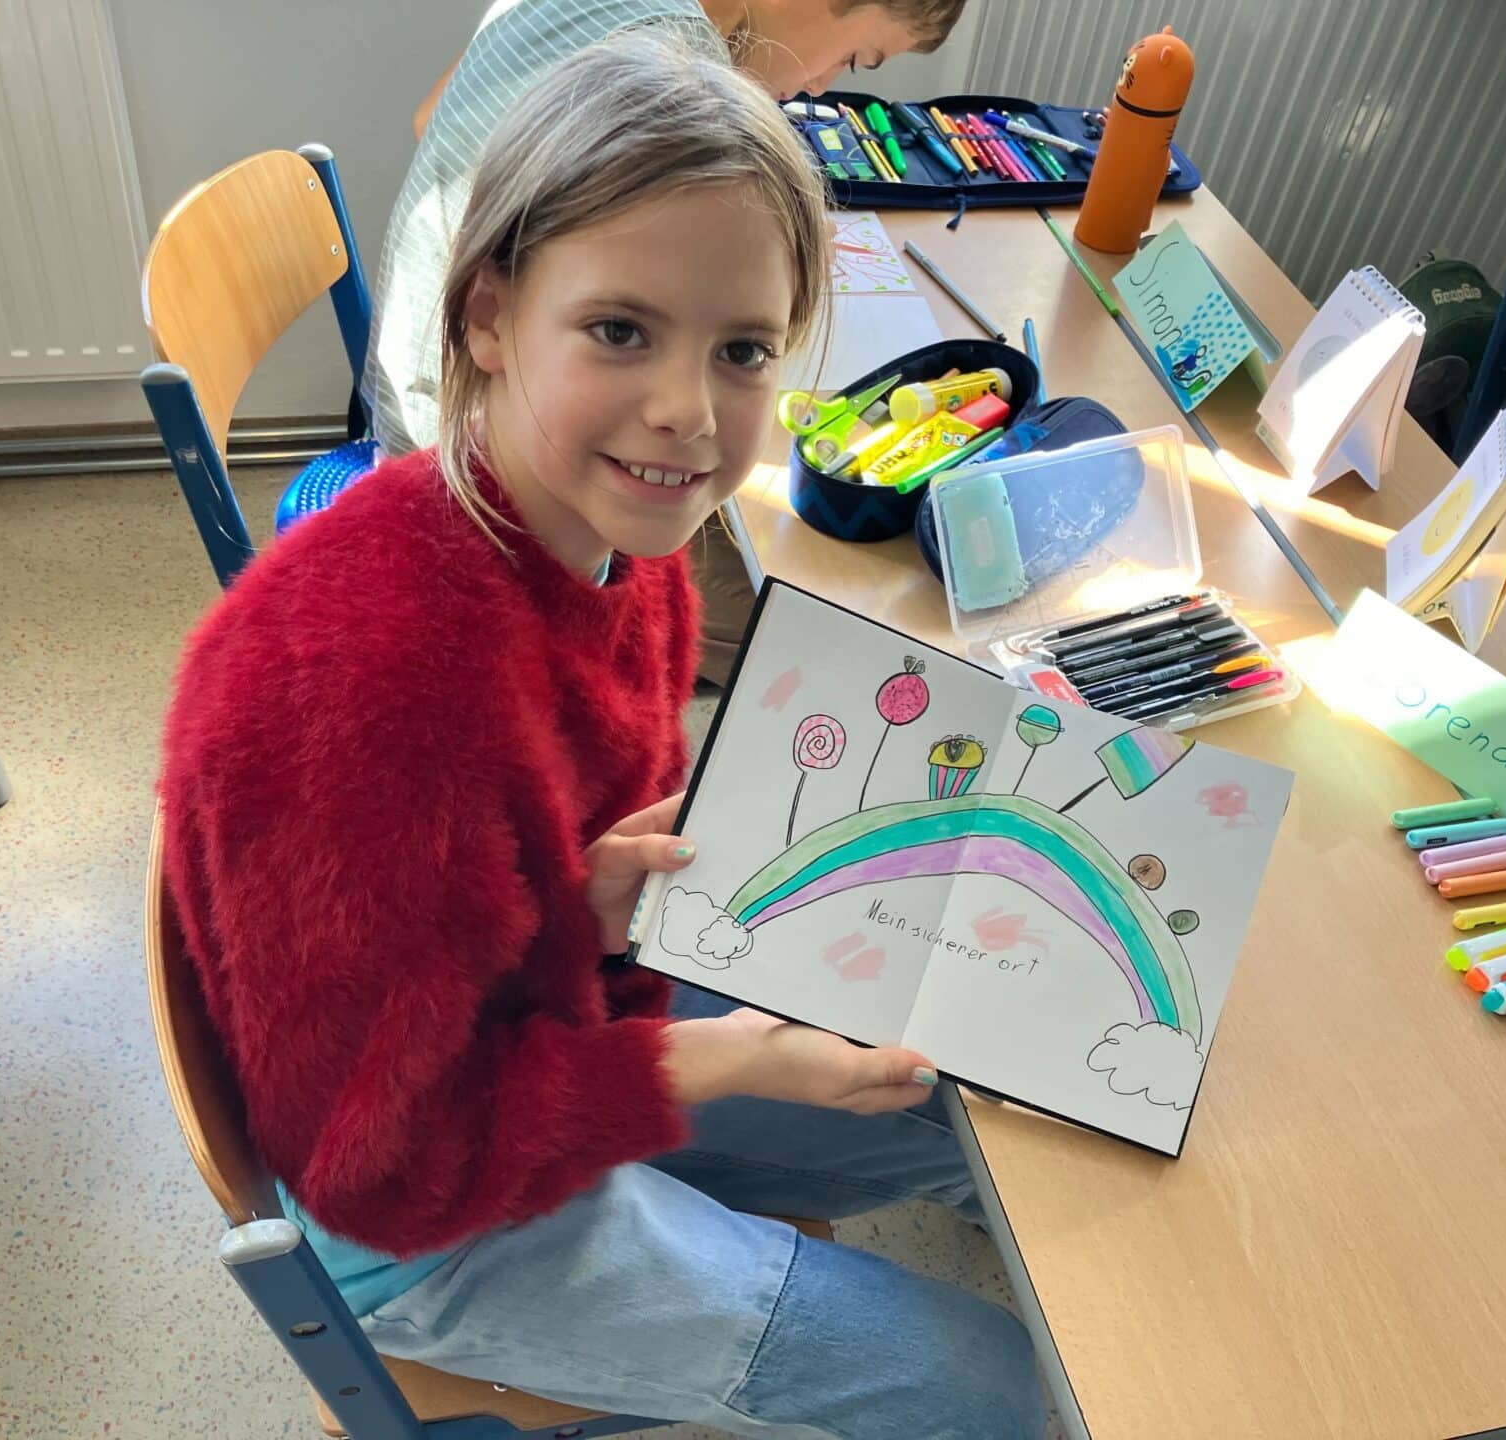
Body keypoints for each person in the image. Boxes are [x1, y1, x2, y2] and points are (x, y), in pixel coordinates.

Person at [161, 36, 1041, 1438]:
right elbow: (382, 1170)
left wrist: (587, 909)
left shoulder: (621, 546)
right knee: (1000, 1395)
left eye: (742, 350)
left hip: (543, 1026)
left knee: (990, 1101)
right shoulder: (377, 690)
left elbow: (503, 901)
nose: (689, 413)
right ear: (490, 316)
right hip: (434, 1222)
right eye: (621, 331)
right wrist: (722, 1060)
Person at [368, 0, 971, 684]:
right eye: (855, 58)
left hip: (438, 408)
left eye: (745, 350)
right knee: (842, 626)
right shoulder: (666, 65)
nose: (820, 86)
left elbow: (430, 117)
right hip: (456, 448)